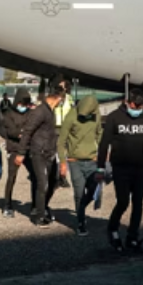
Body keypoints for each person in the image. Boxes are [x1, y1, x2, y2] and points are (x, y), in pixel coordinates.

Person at [99, 89, 143, 251]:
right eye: (134, 105)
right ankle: (113, 229)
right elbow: (104, 144)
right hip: (120, 167)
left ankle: (132, 236)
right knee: (123, 201)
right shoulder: (114, 117)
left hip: (139, 168)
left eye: (140, 106)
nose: (137, 109)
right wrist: (100, 168)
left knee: (138, 203)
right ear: (126, 102)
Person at [58, 93, 103, 236]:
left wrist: (103, 153)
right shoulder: (71, 116)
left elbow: (100, 134)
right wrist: (63, 162)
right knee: (78, 192)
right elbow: (61, 141)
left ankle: (81, 208)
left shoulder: (96, 116)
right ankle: (81, 222)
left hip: (92, 160)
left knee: (93, 190)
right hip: (74, 161)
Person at [19, 83, 63, 227]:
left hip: (49, 152)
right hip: (39, 152)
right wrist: (21, 152)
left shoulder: (50, 111)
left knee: (51, 183)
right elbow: (27, 132)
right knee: (42, 184)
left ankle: (42, 208)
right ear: (57, 98)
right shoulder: (40, 111)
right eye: (61, 99)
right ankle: (38, 216)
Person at [0, 88, 32, 217]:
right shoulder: (8, 113)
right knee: (11, 177)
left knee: (35, 177)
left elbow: (32, 127)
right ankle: (7, 204)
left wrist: (24, 133)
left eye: (26, 104)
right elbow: (11, 131)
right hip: (14, 148)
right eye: (22, 104)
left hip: (28, 148)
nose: (23, 107)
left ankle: (36, 205)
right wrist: (22, 133)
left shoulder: (30, 113)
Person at [54, 77, 75, 188]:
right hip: (55, 127)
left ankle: (63, 177)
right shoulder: (54, 97)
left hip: (66, 127)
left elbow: (72, 110)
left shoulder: (69, 98)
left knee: (64, 153)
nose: (63, 88)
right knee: (56, 153)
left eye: (64, 86)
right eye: (60, 86)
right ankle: (56, 177)